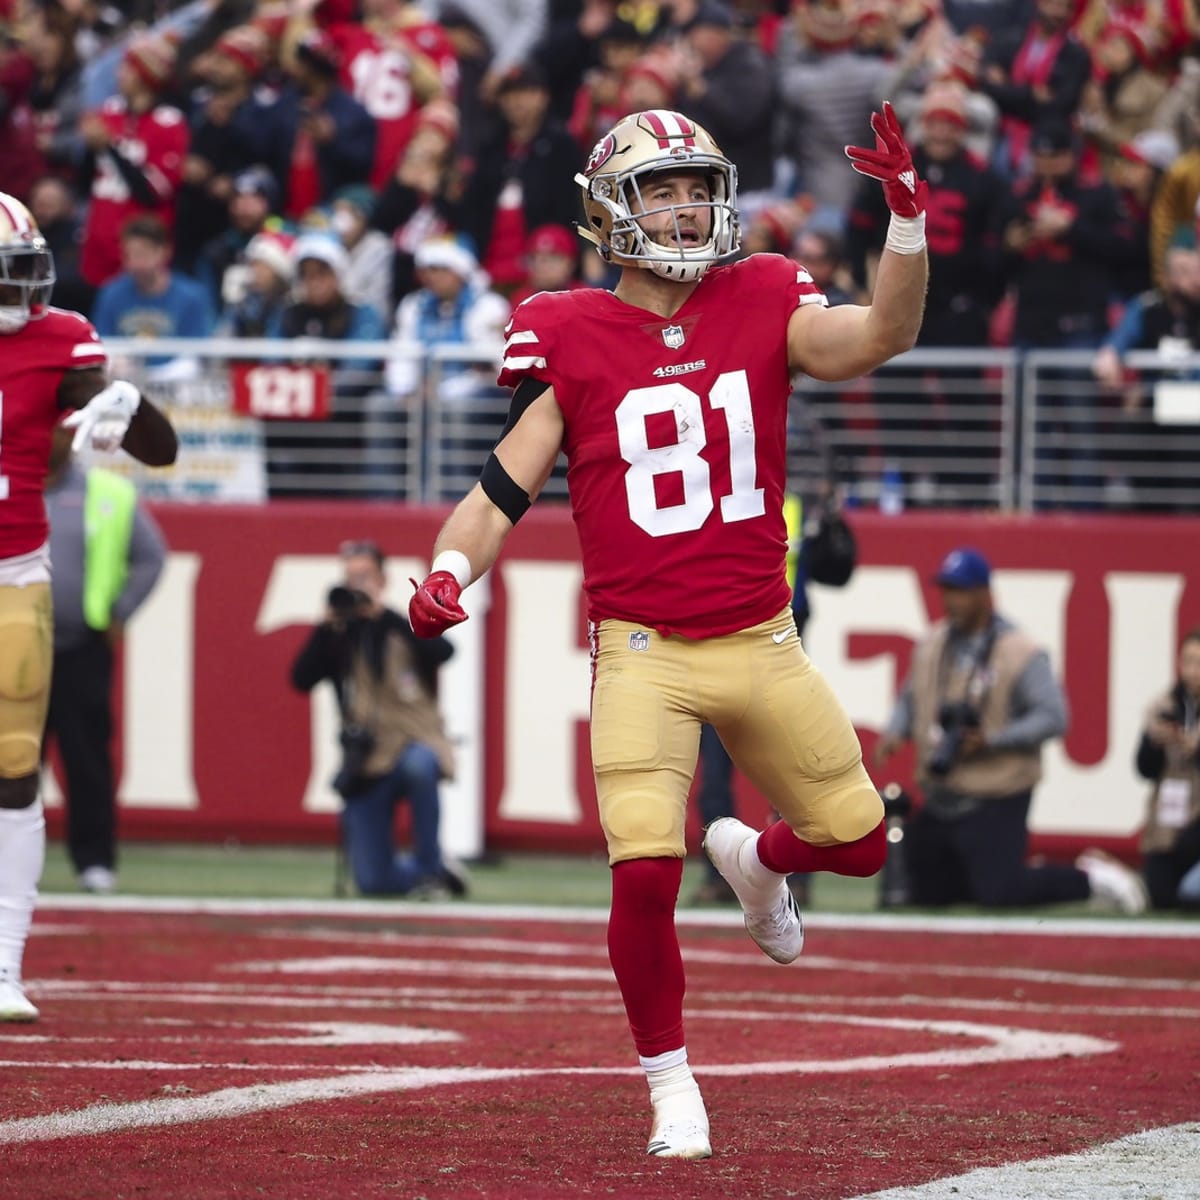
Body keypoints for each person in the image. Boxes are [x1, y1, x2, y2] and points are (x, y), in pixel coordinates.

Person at [408, 104, 928, 1158]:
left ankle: (758, 862)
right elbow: (499, 489)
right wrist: (449, 568)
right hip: (643, 648)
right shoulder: (567, 328)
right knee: (642, 868)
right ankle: (671, 1086)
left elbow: (883, 334)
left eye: (698, 186)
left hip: (762, 636)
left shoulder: (768, 293)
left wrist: (907, 220)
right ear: (611, 209)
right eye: (662, 188)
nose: (688, 207)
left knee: (862, 843)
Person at [0, 190, 178, 1024]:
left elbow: (161, 451)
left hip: (15, 576)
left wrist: (126, 406)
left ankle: (2, 965)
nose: (21, 294)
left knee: (12, 764)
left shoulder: (60, 338)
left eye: (22, 275)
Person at [875, 546, 1149, 913]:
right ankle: (987, 870)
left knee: (1000, 893)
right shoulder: (934, 642)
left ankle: (1091, 877)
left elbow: (1054, 717)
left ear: (983, 594)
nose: (950, 600)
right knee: (921, 892)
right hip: (942, 794)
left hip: (997, 793)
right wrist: (896, 729)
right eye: (946, 590)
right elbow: (912, 695)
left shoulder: (1020, 650)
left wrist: (992, 739)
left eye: (959, 591)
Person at [289, 539, 467, 899]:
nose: (357, 586)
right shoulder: (339, 635)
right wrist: (326, 627)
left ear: (382, 580)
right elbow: (300, 679)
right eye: (350, 578)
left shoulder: (397, 625)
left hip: (413, 744)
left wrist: (383, 613)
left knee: (420, 765)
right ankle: (429, 874)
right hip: (367, 758)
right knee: (372, 884)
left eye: (364, 577)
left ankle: (429, 869)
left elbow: (444, 651)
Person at [43, 423, 167, 894]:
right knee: (11, 760)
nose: (49, 439)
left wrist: (121, 612)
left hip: (83, 645)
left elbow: (151, 557)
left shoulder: (107, 491)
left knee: (87, 758)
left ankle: (94, 860)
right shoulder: (8, 486)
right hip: (14, 648)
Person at [1135, 628, 1200, 910]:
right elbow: (1143, 769)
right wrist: (1154, 743)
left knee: (1190, 894)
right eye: (1188, 661)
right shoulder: (1163, 705)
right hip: (1169, 818)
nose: (1193, 671)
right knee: (1161, 897)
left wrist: (1195, 749)